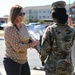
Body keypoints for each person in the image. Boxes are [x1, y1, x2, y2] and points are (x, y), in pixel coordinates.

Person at [3, 4, 39, 75]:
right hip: (12, 61)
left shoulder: (23, 25)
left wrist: (37, 46)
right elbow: (17, 47)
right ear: (14, 14)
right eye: (20, 14)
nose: (22, 16)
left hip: (23, 60)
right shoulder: (9, 28)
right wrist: (31, 44)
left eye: (23, 13)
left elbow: (29, 39)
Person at [40, 1, 75, 75]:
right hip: (68, 68)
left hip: (53, 69)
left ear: (53, 15)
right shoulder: (72, 30)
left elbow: (44, 50)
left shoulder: (50, 30)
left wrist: (42, 59)